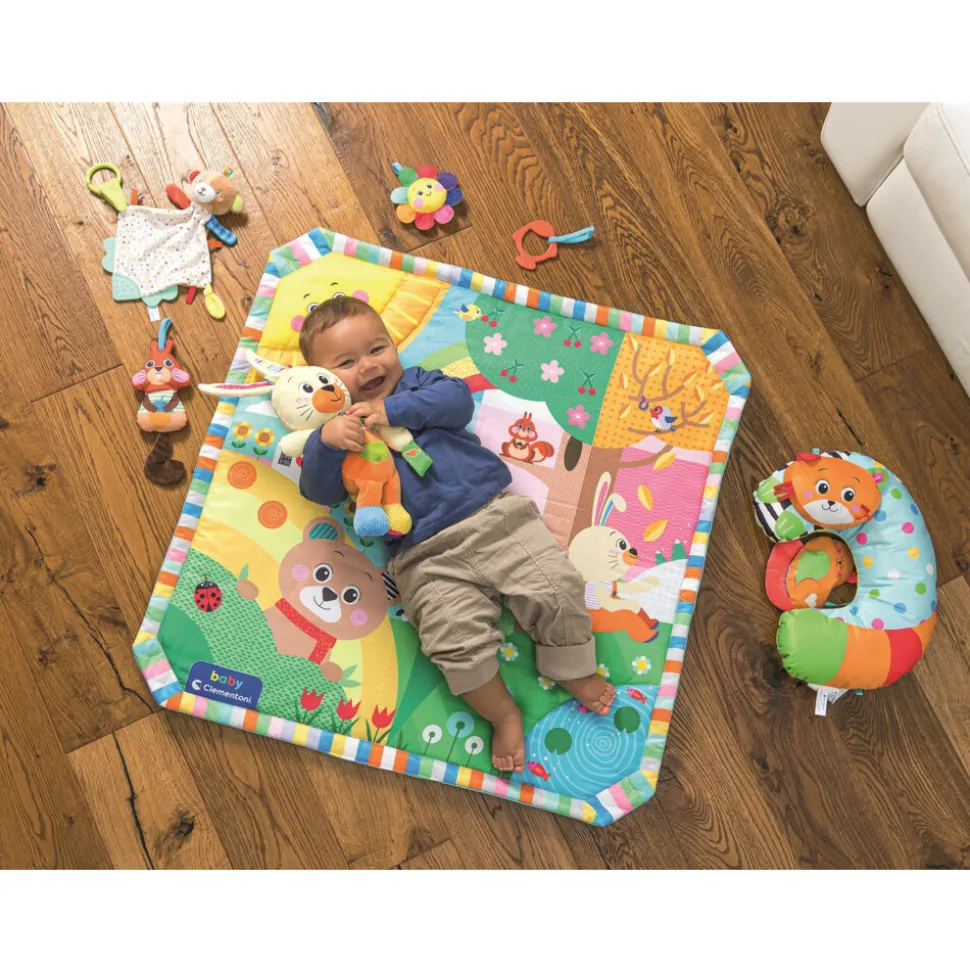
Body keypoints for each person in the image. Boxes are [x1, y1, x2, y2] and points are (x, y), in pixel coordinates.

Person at [299, 296, 614, 772]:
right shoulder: (335, 431)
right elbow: (318, 490)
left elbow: (458, 401)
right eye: (346, 363)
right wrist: (325, 443)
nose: (368, 366)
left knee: (556, 587)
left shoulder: (418, 385)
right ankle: (502, 712)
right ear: (323, 380)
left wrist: (391, 408)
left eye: (377, 349)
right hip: (423, 558)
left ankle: (571, 667)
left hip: (495, 521)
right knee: (453, 644)